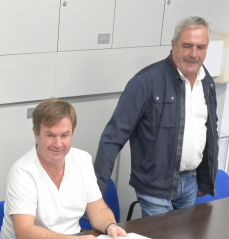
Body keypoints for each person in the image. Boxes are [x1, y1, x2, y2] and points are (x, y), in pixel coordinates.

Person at [94, 16, 220, 218]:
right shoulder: (145, 82)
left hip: (190, 183)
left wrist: (206, 179)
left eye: (200, 47)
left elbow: (210, 132)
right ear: (173, 45)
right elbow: (112, 138)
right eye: (187, 46)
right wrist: (96, 194)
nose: (193, 54)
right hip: (155, 185)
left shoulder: (207, 83)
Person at [0, 98, 128, 239]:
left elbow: (98, 209)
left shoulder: (82, 160)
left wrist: (110, 226)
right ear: (36, 134)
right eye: (50, 135)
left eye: (65, 135)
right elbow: (24, 232)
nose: (58, 144)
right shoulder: (23, 171)